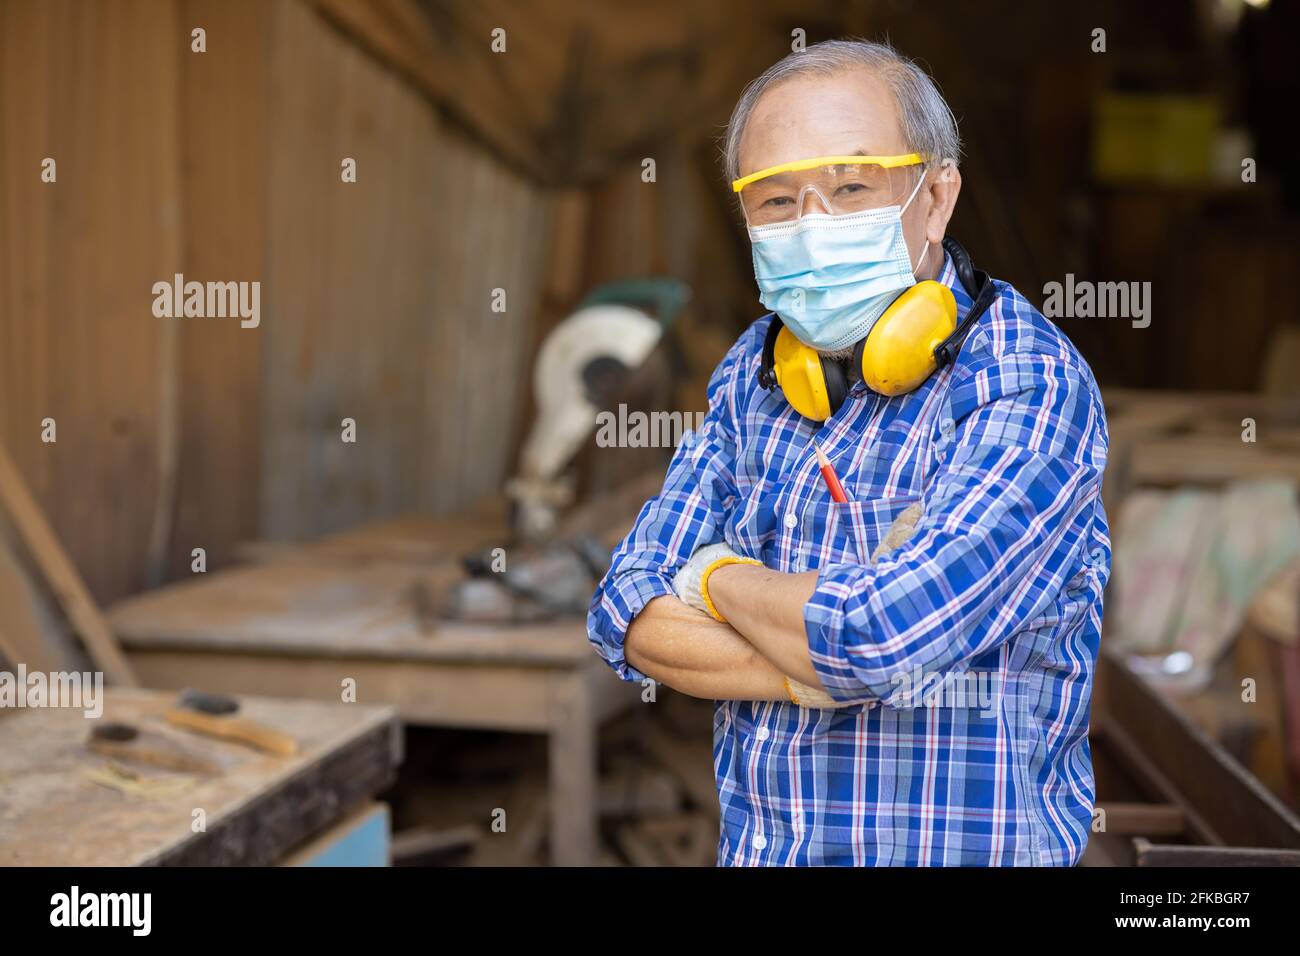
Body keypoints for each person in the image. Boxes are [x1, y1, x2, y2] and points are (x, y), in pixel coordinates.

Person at [587, 38, 1110, 866]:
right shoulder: (756, 372)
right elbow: (628, 609)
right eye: (776, 202)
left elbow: (884, 634)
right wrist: (806, 663)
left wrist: (715, 577)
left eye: (852, 186)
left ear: (935, 199)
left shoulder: (1027, 382)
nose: (812, 226)